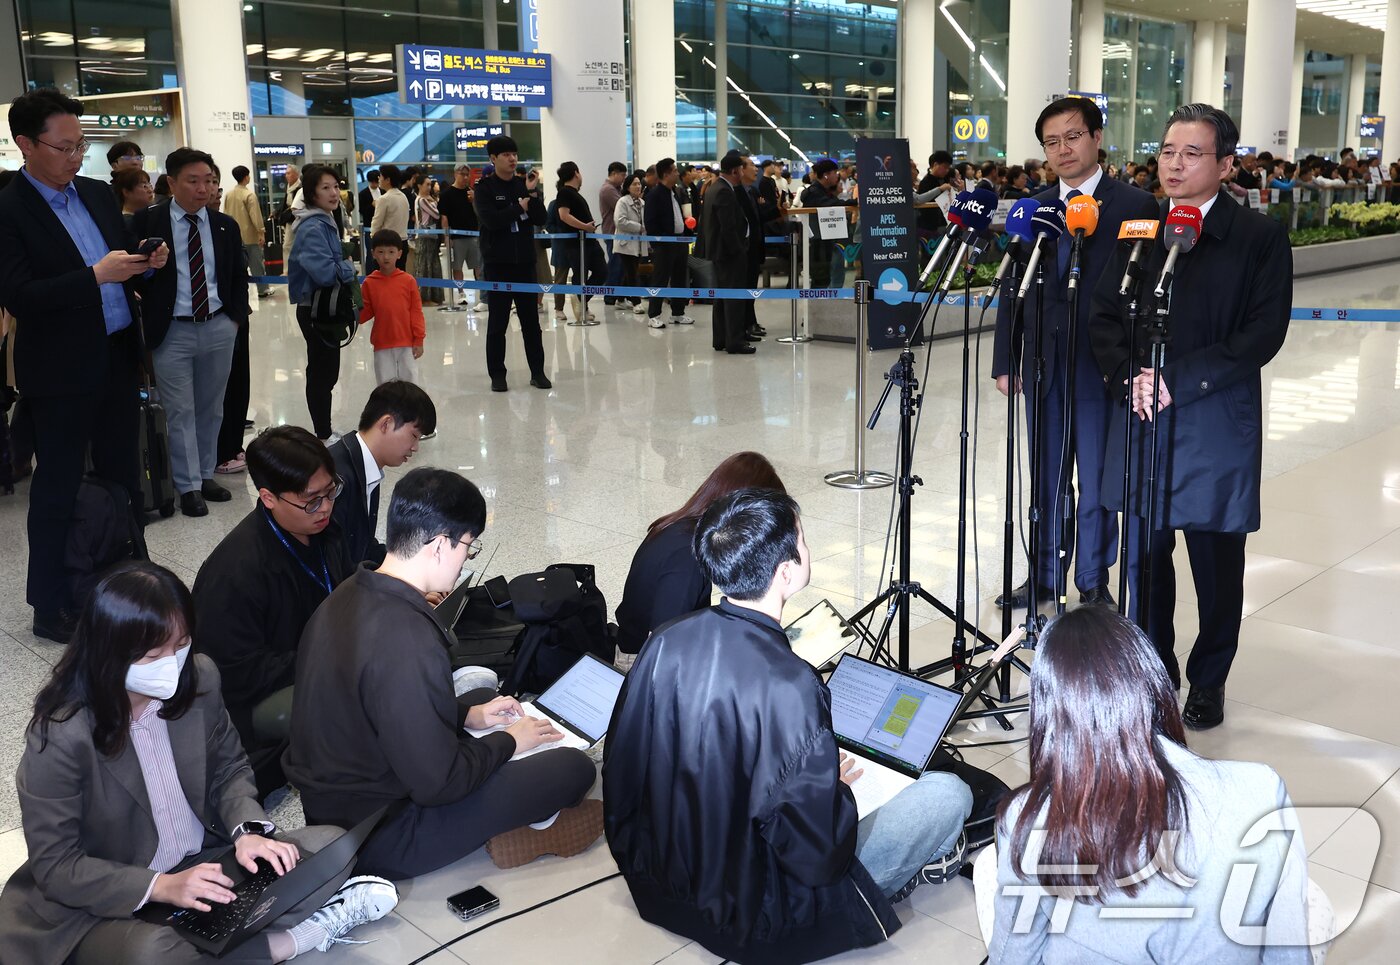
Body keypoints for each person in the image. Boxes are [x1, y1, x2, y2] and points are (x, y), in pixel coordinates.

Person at [605, 488, 972, 964]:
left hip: (659, 885)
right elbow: (815, 856)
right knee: (948, 793)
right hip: (759, 917)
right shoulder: (793, 685)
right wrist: (832, 793)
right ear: (785, 572)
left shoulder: (665, 643)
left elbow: (623, 769)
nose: (807, 548)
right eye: (803, 539)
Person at [0, 561, 398, 964]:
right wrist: (162, 887)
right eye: (154, 655)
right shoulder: (61, 735)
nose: (173, 664)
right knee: (154, 952)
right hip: (107, 898)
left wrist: (246, 832)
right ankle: (290, 941)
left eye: (181, 644)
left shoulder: (200, 679)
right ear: (109, 655)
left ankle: (219, 941)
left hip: (202, 864)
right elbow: (57, 865)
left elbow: (229, 769)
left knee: (330, 847)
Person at [285, 468, 603, 879]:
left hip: (339, 801)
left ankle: (498, 768)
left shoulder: (348, 594)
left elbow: (374, 704)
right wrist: (508, 743)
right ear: (440, 545)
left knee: (479, 703)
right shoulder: (409, 639)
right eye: (467, 549)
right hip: (382, 834)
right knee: (574, 769)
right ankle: (521, 821)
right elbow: (439, 785)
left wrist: (467, 717)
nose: (464, 561)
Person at [1090, 103, 1291, 730]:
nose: (1174, 165)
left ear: (1226, 164)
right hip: (1144, 415)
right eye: (1167, 152)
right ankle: (1154, 676)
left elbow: (1263, 334)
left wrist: (1177, 381)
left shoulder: (1258, 237)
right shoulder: (1140, 228)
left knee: (1215, 563)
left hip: (1212, 421)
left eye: (1191, 153)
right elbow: (1105, 315)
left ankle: (1208, 680)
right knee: (1146, 564)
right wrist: (1128, 377)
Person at [990, 606, 1311, 963]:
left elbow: (1015, 955)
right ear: (1151, 681)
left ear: (1050, 713)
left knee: (997, 867)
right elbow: (1289, 947)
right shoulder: (1261, 789)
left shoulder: (1028, 818)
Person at [0, 88, 170, 643]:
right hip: (59, 371)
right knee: (58, 486)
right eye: (64, 146)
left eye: (81, 145)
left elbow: (120, 257)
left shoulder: (96, 194)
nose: (76, 156)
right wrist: (96, 276)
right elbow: (20, 294)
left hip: (117, 356)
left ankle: (127, 588)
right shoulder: (9, 209)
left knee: (125, 479)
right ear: (25, 144)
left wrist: (145, 259)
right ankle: (49, 605)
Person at [991, 96, 1159, 612]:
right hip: (1043, 366)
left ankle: (1090, 578)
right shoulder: (1031, 207)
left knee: (1094, 476)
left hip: (1103, 367)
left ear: (1096, 138)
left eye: (1072, 136)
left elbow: (1147, 292)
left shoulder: (1135, 206)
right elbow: (1011, 290)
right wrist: (1005, 359)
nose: (1062, 149)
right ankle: (1042, 575)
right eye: (1051, 142)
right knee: (1045, 475)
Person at [193, 426, 352, 796]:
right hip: (255, 699)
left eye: (331, 492)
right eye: (311, 500)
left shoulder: (323, 530)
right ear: (267, 498)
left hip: (316, 660)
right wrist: (329, 657)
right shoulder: (235, 572)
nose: (325, 507)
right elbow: (235, 672)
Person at [131, 147, 250, 518]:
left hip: (217, 326)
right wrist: (147, 266)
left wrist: (233, 319)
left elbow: (235, 276)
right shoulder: (147, 222)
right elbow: (135, 275)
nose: (204, 189)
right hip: (173, 330)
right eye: (194, 181)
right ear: (171, 183)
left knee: (212, 407)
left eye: (210, 181)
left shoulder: (224, 225)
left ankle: (204, 474)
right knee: (179, 410)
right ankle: (188, 488)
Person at [615, 451, 785, 654]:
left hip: (650, 647)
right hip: (642, 662)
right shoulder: (687, 557)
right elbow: (665, 647)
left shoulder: (680, 526)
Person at [474, 134, 552, 392]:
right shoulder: (484, 189)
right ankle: (497, 374)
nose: (512, 158)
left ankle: (538, 372)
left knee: (531, 322)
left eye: (514, 154)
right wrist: (519, 208)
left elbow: (540, 217)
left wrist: (531, 192)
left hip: (525, 264)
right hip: (498, 264)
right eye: (506, 155)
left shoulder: (522, 185)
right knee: (497, 323)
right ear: (493, 158)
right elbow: (492, 222)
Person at [328, 380, 435, 567]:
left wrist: (411, 568)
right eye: (414, 436)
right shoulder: (338, 476)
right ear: (386, 423)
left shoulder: (363, 462)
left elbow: (362, 545)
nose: (415, 447)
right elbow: (334, 562)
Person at [287, 165, 355, 443]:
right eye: (325, 187)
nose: (333, 192)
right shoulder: (314, 226)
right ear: (311, 193)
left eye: (336, 186)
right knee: (321, 373)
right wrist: (349, 267)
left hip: (324, 306)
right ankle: (322, 433)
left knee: (326, 372)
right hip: (316, 308)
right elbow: (325, 273)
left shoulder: (325, 220)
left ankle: (324, 430)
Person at [699, 152, 753, 355]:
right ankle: (735, 341)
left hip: (721, 253)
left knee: (721, 297)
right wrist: (739, 250)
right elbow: (727, 227)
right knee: (733, 298)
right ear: (734, 171)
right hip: (729, 254)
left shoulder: (716, 188)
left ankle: (721, 338)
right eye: (741, 169)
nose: (742, 173)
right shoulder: (724, 191)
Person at [358, 229, 425, 386]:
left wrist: (419, 338)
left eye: (391, 252)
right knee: (384, 383)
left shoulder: (408, 281)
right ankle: (387, 410)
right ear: (373, 253)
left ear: (399, 254)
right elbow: (365, 312)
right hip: (382, 342)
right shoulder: (369, 282)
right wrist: (349, 314)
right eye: (380, 252)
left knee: (410, 382)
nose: (386, 256)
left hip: (406, 341)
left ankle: (409, 410)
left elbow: (416, 311)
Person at [554, 160, 607, 321]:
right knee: (581, 274)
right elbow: (564, 215)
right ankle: (580, 305)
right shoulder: (564, 192)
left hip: (589, 241)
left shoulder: (575, 194)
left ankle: (581, 301)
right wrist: (584, 226)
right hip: (577, 243)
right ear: (576, 173)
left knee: (602, 272)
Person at [643, 157, 694, 328]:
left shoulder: (675, 192)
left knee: (680, 277)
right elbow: (650, 222)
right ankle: (654, 314)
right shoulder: (655, 195)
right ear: (666, 174)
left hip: (679, 241)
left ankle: (678, 312)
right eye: (674, 171)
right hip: (665, 244)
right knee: (660, 278)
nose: (677, 173)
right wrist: (659, 241)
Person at [439, 164, 484, 310]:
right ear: (455, 174)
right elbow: (444, 217)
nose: (465, 177)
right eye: (462, 174)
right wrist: (447, 237)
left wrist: (474, 201)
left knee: (477, 265)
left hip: (473, 235)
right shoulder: (446, 194)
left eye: (467, 174)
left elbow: (479, 214)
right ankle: (461, 293)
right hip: (456, 237)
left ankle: (482, 294)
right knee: (457, 266)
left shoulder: (471, 193)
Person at [799, 158, 847, 288]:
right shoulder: (814, 192)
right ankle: (816, 308)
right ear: (826, 175)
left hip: (823, 239)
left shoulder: (823, 191)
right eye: (834, 172)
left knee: (824, 277)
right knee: (820, 278)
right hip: (816, 242)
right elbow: (829, 204)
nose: (836, 176)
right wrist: (851, 202)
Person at [227, 164, 271, 299]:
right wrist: (261, 232)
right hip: (250, 236)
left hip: (234, 237)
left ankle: (237, 291)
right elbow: (255, 216)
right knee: (256, 264)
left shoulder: (229, 194)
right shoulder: (249, 195)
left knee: (237, 266)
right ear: (246, 177)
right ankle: (262, 289)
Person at [611, 172, 649, 314]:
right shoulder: (622, 202)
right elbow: (620, 221)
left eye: (639, 183)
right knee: (632, 273)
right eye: (634, 184)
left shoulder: (642, 202)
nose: (638, 186)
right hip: (625, 244)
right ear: (627, 187)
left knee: (629, 273)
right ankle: (636, 302)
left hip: (639, 244)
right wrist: (639, 227)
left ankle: (620, 300)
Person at [369, 164, 409, 271]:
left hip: (387, 244)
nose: (379, 179)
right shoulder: (403, 197)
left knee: (384, 278)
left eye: (381, 176)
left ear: (387, 179)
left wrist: (374, 240)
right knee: (399, 276)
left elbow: (376, 223)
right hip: (403, 242)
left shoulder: (384, 199)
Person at [598, 160, 627, 304]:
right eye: (622, 175)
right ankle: (610, 297)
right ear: (614, 173)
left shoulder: (616, 188)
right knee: (615, 266)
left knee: (620, 266)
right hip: (612, 233)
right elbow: (623, 207)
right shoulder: (608, 190)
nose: (623, 178)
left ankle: (619, 297)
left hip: (617, 233)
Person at [413, 175, 444, 305]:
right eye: (427, 184)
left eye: (430, 184)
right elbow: (436, 214)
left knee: (432, 265)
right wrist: (434, 201)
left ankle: (434, 296)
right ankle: (424, 298)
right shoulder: (422, 200)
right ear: (419, 185)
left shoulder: (426, 199)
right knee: (425, 266)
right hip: (424, 237)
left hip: (431, 236)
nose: (429, 187)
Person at [357, 168, 379, 236]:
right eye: (373, 182)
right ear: (369, 181)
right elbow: (361, 210)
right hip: (369, 226)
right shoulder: (363, 194)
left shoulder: (383, 191)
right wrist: (372, 205)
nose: (375, 184)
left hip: (383, 225)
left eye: (377, 182)